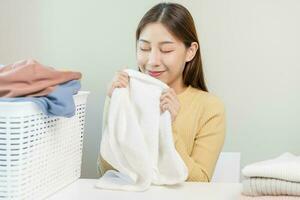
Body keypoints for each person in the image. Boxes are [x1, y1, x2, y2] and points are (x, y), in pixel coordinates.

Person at [98, 2, 225, 182]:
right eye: (144, 48)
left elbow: (200, 182)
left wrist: (168, 126)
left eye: (166, 50)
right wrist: (114, 103)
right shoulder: (124, 94)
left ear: (190, 51)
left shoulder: (210, 108)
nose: (152, 61)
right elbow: (106, 171)